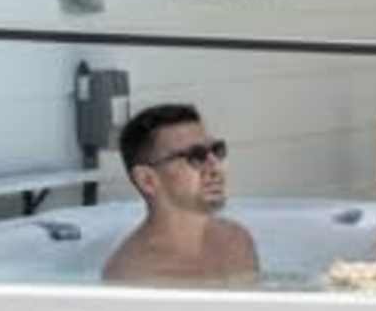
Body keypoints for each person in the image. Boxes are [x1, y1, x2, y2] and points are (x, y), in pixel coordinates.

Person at [101, 103, 260, 285]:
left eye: (216, 150)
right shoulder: (132, 274)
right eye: (196, 156)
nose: (215, 167)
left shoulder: (236, 241)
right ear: (147, 180)